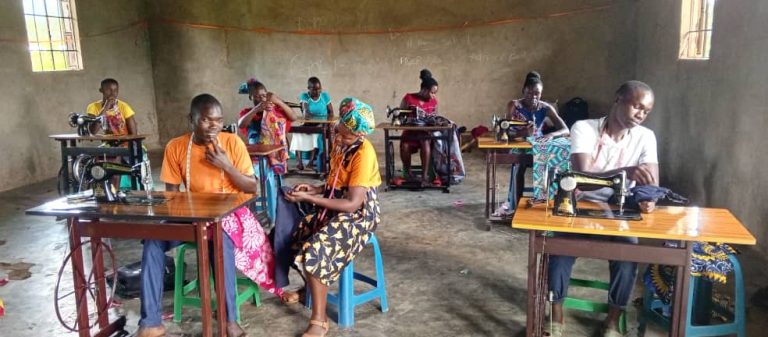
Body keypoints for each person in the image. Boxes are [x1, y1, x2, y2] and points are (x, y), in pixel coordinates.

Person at [137, 94, 281, 337]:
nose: (214, 126)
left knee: (220, 242)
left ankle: (228, 320)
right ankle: (151, 322)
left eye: (218, 120)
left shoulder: (232, 143)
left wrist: (225, 165)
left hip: (229, 215)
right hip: (191, 214)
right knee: (153, 240)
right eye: (206, 120)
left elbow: (252, 187)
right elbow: (172, 196)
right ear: (191, 120)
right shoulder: (176, 147)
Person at [546, 81, 659, 337]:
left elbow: (652, 183)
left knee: (628, 253)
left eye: (647, 111)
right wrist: (626, 172)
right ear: (618, 99)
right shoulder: (584, 128)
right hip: (580, 202)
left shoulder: (645, 137)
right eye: (637, 106)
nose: (641, 114)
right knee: (558, 251)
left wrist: (647, 199)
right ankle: (556, 317)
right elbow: (582, 176)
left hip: (619, 207)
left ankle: (612, 322)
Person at [284, 98, 381, 337]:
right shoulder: (341, 143)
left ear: (359, 135)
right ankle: (310, 288)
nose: (340, 138)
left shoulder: (363, 153)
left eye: (347, 136)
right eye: (340, 132)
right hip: (336, 204)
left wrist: (311, 200)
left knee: (317, 248)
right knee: (292, 233)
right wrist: (314, 189)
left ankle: (320, 320)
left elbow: (352, 203)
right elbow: (335, 182)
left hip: (360, 214)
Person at [494, 71, 569, 216]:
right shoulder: (514, 105)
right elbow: (504, 132)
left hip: (539, 145)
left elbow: (565, 129)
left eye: (537, 93)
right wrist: (523, 134)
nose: (533, 97)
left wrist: (550, 135)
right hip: (518, 143)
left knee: (551, 163)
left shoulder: (545, 108)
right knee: (519, 165)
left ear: (541, 93)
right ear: (523, 91)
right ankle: (516, 205)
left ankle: (543, 202)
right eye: (529, 93)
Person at [237, 78, 300, 175]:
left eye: (263, 96)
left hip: (276, 153)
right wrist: (256, 110)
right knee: (263, 175)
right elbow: (241, 124)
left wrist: (279, 102)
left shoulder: (275, 111)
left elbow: (294, 117)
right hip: (258, 153)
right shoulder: (248, 113)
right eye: (257, 97)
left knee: (276, 177)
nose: (261, 99)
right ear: (251, 97)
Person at [397, 69, 439, 187]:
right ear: (424, 90)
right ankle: (409, 174)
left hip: (425, 133)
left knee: (425, 142)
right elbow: (400, 115)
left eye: (435, 93)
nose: (433, 96)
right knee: (404, 145)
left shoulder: (433, 102)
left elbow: (435, 118)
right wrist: (402, 120)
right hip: (410, 133)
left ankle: (424, 177)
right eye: (432, 92)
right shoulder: (409, 98)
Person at [293, 77, 334, 171]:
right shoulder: (304, 96)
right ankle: (300, 162)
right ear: (308, 88)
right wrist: (315, 116)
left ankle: (311, 162)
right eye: (314, 89)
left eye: (319, 89)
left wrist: (325, 121)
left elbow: (331, 112)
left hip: (323, 124)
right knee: (297, 134)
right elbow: (305, 112)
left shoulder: (325, 96)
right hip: (309, 123)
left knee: (316, 134)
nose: (318, 91)